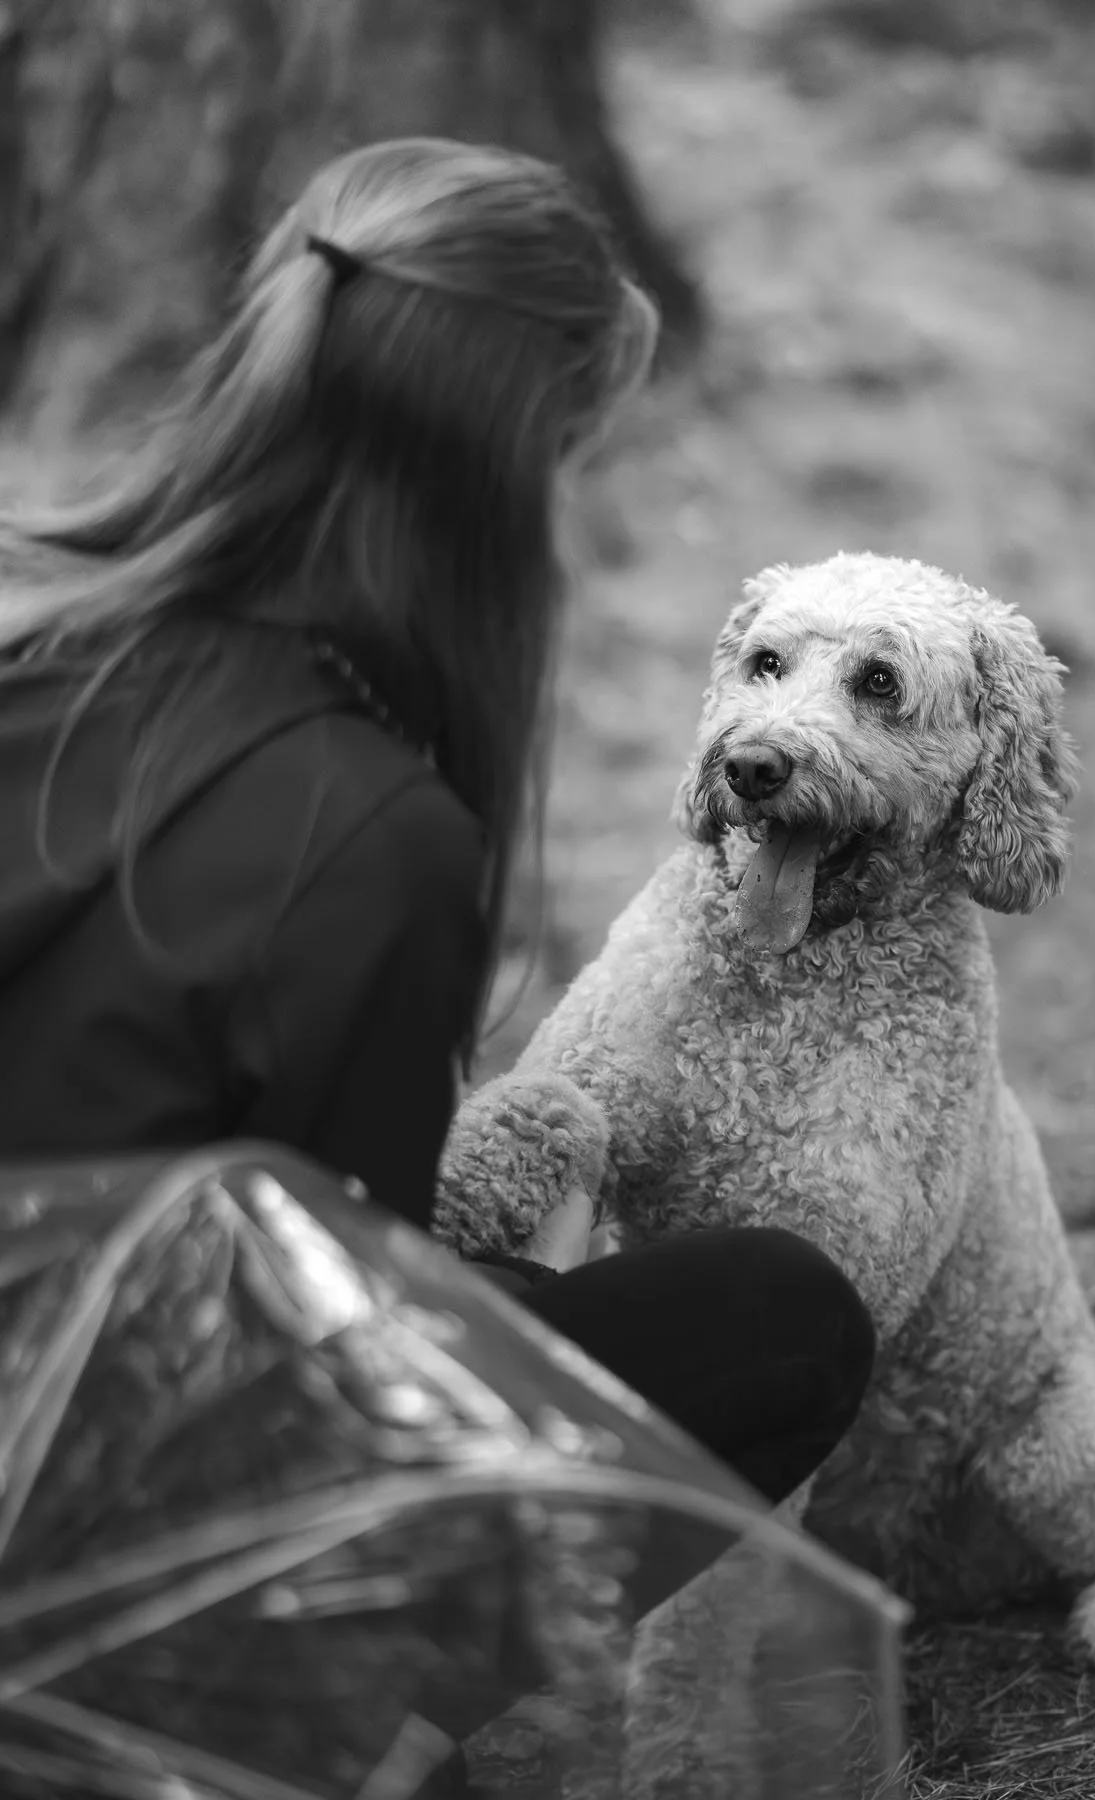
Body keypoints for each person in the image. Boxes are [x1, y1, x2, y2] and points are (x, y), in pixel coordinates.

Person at [0, 138, 875, 1518]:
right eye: (573, 469)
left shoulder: (31, 625)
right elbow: (323, 1351)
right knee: (777, 1320)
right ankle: (326, 1723)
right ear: (504, 477)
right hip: (102, 1527)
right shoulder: (362, 838)